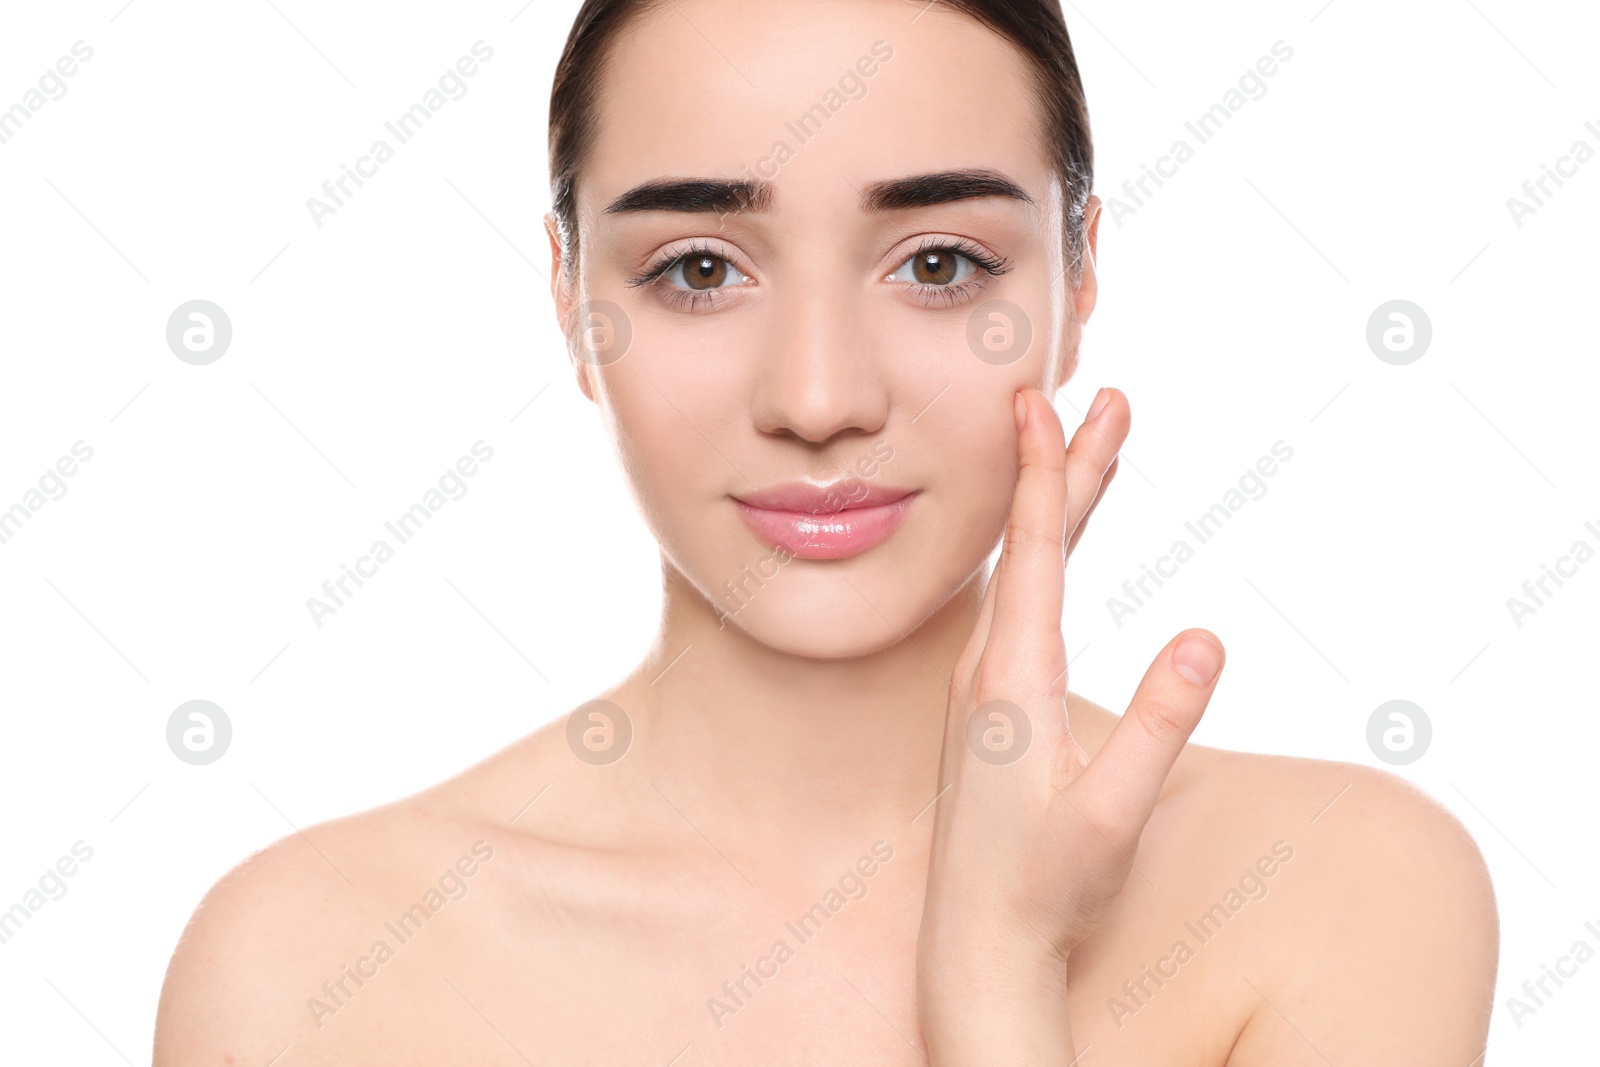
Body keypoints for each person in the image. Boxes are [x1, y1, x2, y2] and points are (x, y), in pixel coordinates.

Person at [153, 0, 1498, 1062]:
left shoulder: (1343, 892)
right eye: (697, 270)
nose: (819, 398)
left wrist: (996, 977)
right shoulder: (303, 972)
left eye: (938, 264)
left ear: (1080, 275)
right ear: (570, 298)